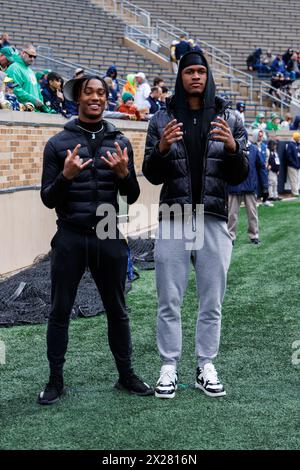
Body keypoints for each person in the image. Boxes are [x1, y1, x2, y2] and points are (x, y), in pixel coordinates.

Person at [38, 74, 154, 405]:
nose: (96, 97)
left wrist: (122, 174)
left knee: (118, 310)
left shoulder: (120, 141)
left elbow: (131, 195)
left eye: (101, 93)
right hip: (70, 236)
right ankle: (55, 381)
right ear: (79, 98)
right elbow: (47, 198)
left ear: (107, 99)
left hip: (108, 234)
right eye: (89, 92)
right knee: (60, 311)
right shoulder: (57, 144)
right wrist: (66, 177)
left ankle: (126, 375)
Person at [142, 51, 248, 399]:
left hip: (214, 219)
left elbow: (240, 173)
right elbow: (151, 174)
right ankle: (168, 366)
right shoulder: (161, 119)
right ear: (180, 76)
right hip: (174, 218)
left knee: (211, 301)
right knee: (169, 299)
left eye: (202, 70)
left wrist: (233, 149)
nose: (196, 76)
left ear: (208, 75)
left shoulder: (229, 117)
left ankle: (206, 364)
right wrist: (160, 149)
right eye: (190, 71)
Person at [228, 130, 268, 245]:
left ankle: (254, 235)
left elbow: (261, 168)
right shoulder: (231, 148)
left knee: (252, 213)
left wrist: (265, 186)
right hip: (234, 186)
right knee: (232, 214)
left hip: (249, 187)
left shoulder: (254, 149)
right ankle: (231, 236)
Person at [6, 43, 51, 112]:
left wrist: (43, 106)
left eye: (34, 57)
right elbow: (15, 90)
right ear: (23, 53)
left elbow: (38, 91)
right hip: (22, 111)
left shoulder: (31, 71)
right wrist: (32, 99)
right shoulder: (14, 68)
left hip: (34, 111)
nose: (32, 59)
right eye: (30, 56)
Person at [286, 131, 300, 197]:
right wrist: (294, 164)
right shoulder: (290, 144)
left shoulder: (298, 144)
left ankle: (296, 191)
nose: (298, 139)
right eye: (298, 138)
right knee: (293, 179)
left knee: (297, 179)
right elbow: (289, 156)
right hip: (292, 166)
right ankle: (295, 192)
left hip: (298, 165)